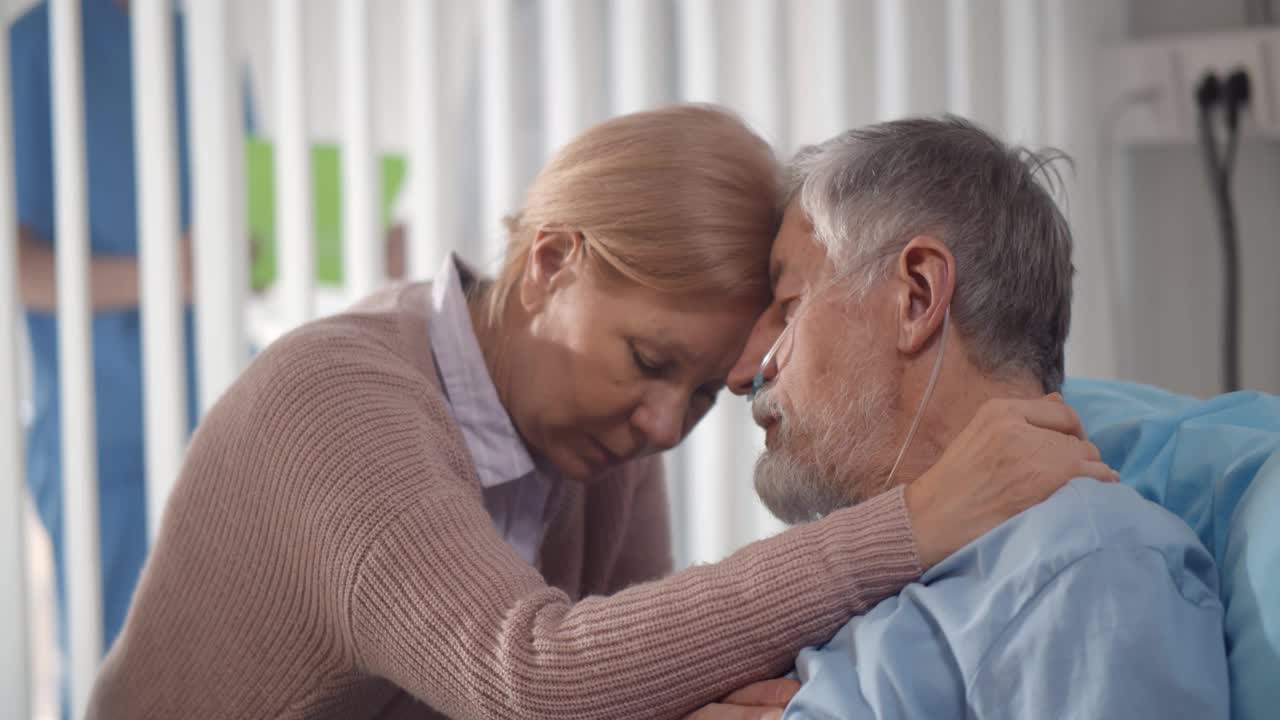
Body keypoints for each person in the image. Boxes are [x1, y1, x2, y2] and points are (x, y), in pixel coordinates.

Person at [87, 105, 1112, 720]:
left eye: (707, 392)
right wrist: (920, 518)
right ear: (549, 264)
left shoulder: (604, 447)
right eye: (648, 361)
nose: (664, 427)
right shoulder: (332, 405)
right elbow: (533, 681)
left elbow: (638, 693)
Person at [722, 116, 1228, 718]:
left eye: (789, 308)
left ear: (916, 296)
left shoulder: (1089, 568)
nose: (743, 371)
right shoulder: (852, 592)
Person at [10, 0, 199, 683]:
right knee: (112, 680)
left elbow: (240, 222)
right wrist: (162, 272)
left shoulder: (195, 40)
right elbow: (18, 265)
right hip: (101, 438)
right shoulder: (39, 47)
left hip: (212, 415)